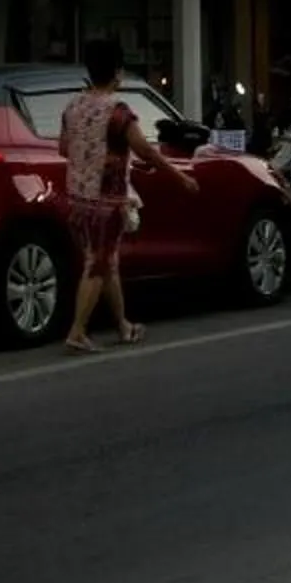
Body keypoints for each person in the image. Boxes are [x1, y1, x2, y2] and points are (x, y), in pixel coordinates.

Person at [57, 39, 194, 353]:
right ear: (118, 71)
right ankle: (77, 331)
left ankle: (123, 325)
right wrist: (179, 175)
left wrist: (88, 155)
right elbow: (144, 150)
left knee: (107, 263)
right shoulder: (118, 112)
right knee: (98, 264)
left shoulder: (72, 107)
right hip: (107, 201)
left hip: (78, 198)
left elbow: (63, 148)